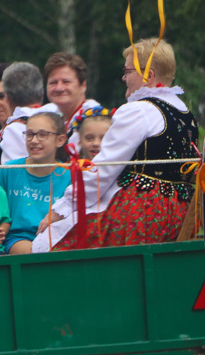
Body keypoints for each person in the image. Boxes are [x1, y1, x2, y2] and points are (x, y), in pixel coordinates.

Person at [35, 38, 200, 251]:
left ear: (147, 76)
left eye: (128, 71)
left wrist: (61, 209)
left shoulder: (138, 110)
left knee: (47, 241)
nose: (124, 77)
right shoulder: (186, 113)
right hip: (178, 214)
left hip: (141, 215)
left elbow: (102, 171)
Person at [0, 112, 71, 254]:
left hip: (57, 239)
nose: (34, 140)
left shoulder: (69, 175)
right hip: (18, 238)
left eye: (42, 134)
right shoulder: (10, 170)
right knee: (31, 253)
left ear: (60, 140)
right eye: (29, 134)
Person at [42, 52, 102, 151]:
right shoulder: (48, 117)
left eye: (66, 82)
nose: (59, 88)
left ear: (83, 85)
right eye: (53, 82)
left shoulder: (96, 119)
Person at [0, 62, 46, 164]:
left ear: (7, 98)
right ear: (42, 94)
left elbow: (11, 176)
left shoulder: (13, 130)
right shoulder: (59, 121)